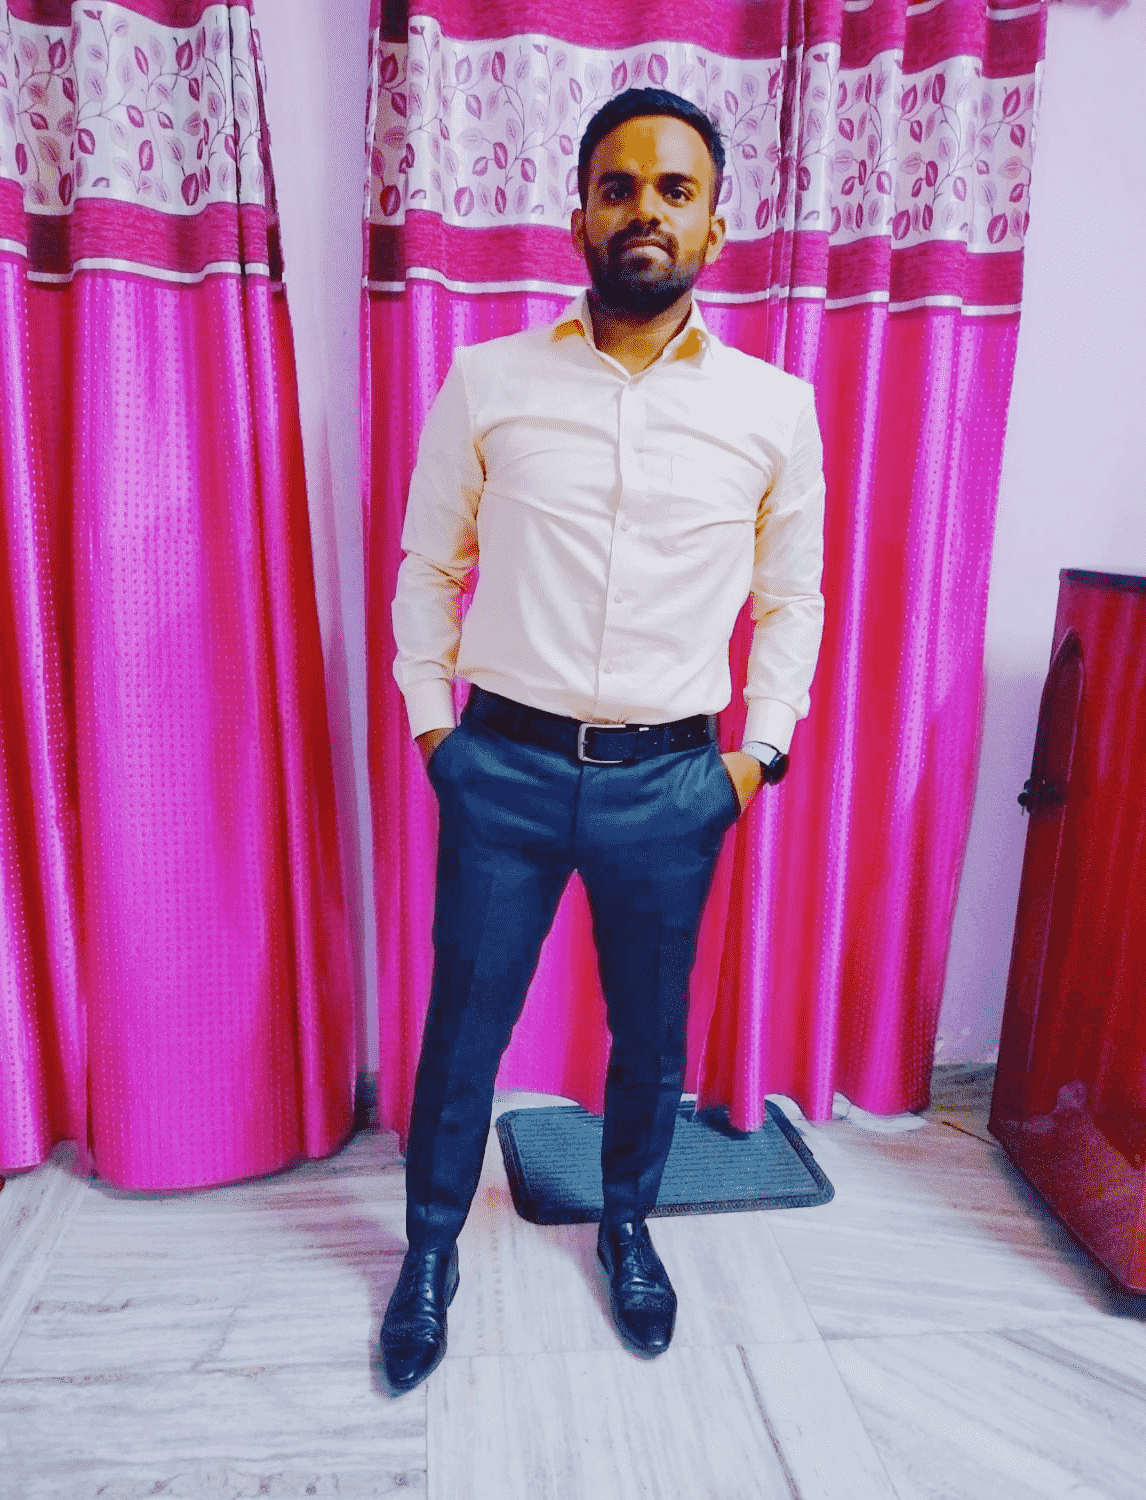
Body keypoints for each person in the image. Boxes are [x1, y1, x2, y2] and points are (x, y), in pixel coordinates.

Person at [381, 87, 825, 1393]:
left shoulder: (774, 408)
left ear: (715, 225)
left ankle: (628, 1225)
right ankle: (428, 1252)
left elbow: (792, 599)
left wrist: (757, 758)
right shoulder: (490, 381)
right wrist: (435, 732)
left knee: (650, 1036)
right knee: (462, 1033)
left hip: (674, 782)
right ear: (579, 213)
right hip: (502, 772)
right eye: (618, 186)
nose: (645, 210)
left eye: (674, 190)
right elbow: (427, 567)